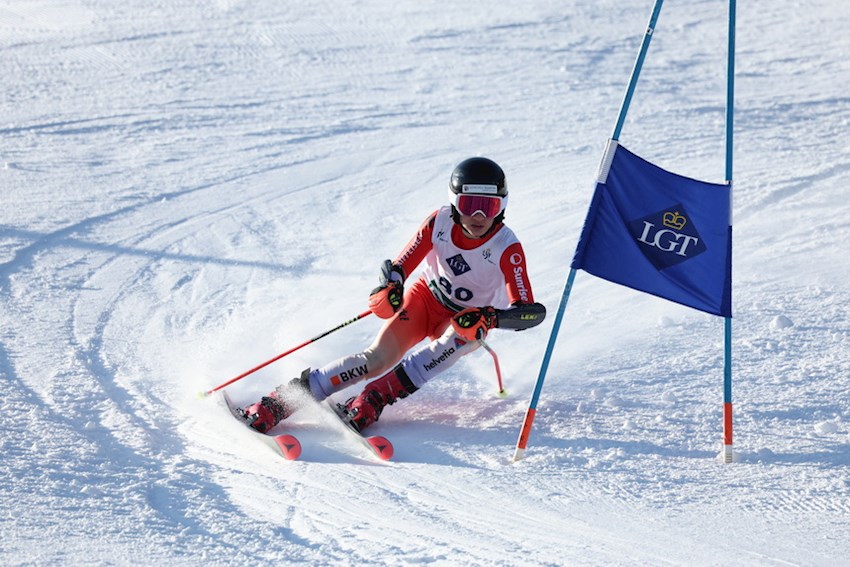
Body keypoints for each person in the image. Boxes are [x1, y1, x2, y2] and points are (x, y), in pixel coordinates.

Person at [242, 157, 546, 433]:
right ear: (454, 202)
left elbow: (529, 312)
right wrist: (390, 288)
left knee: (446, 347)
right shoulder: (438, 222)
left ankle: (373, 399)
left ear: (502, 207)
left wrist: (490, 318)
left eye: (489, 207)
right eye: (469, 205)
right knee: (375, 359)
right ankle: (280, 402)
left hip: (467, 320)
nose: (478, 215)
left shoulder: (507, 248)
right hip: (425, 299)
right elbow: (400, 266)